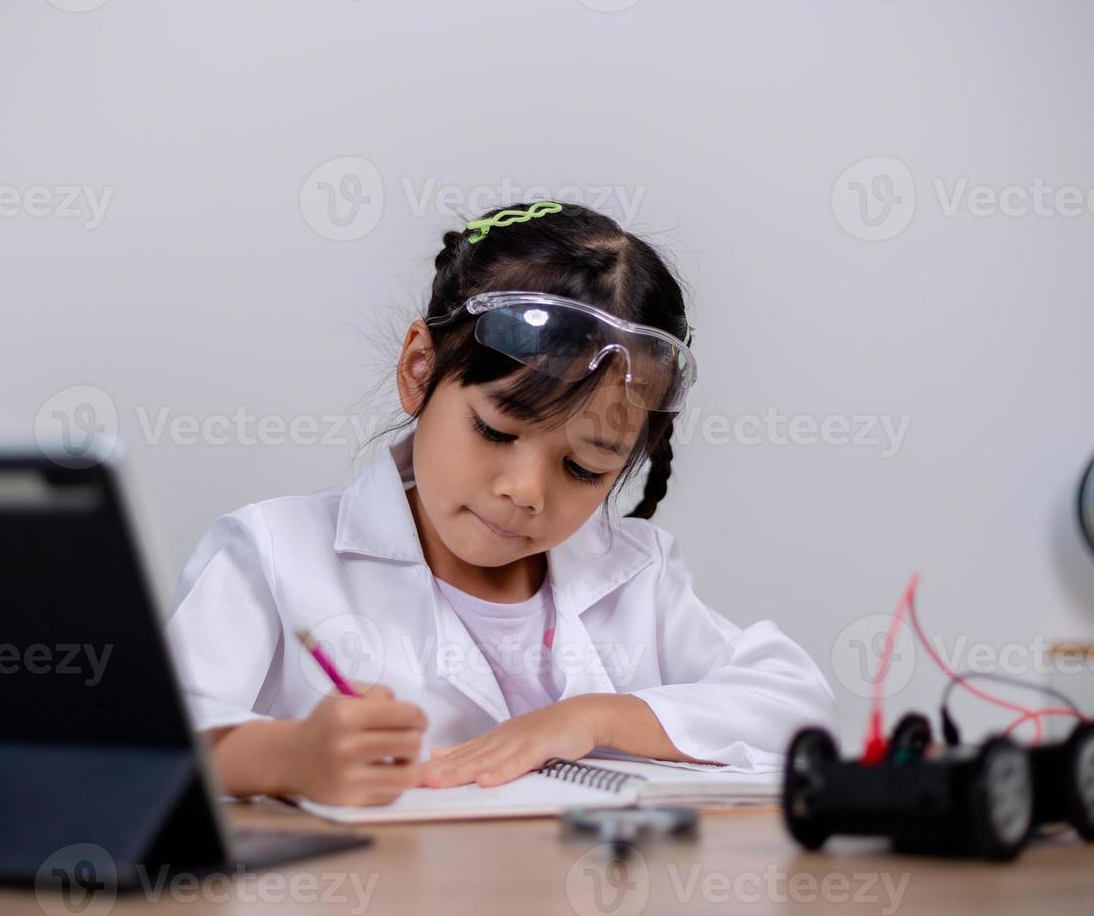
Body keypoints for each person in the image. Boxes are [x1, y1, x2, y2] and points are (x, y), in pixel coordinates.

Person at [164, 202, 835, 806]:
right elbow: (147, 741)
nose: (526, 492)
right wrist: (290, 758)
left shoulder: (640, 578)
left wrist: (594, 717)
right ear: (419, 370)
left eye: (584, 466)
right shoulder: (274, 553)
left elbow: (795, 705)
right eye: (497, 431)